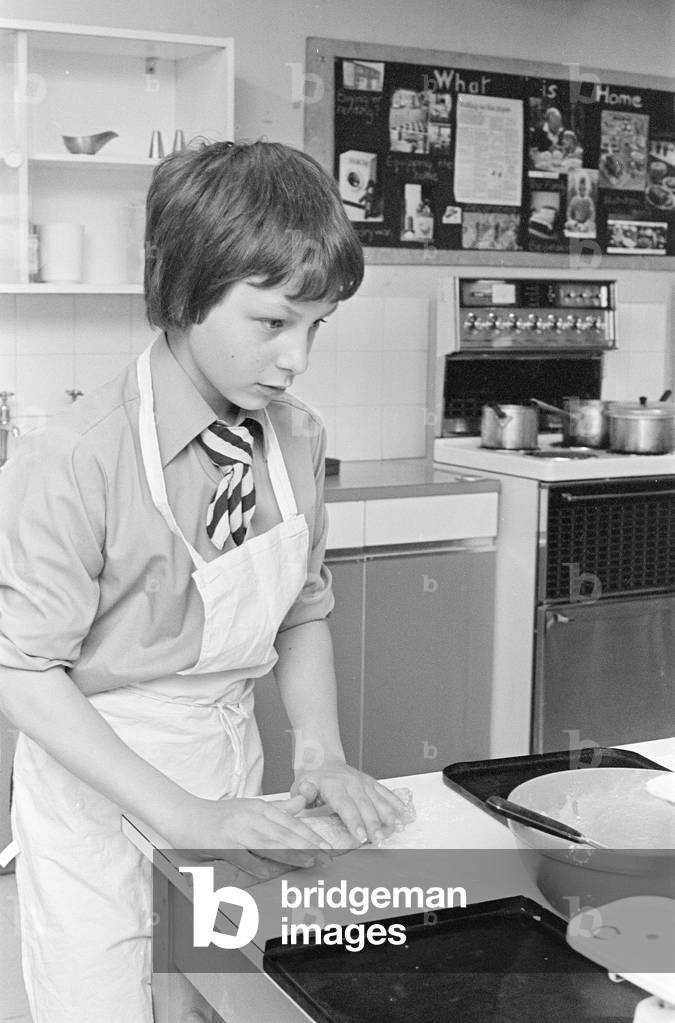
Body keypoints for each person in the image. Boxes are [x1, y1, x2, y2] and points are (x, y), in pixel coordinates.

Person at [0, 140, 408, 1023]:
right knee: (102, 999)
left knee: (217, 997)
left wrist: (320, 751)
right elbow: (23, 674)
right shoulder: (74, 455)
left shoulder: (293, 437)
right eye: (272, 322)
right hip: (99, 786)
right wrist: (178, 813)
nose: (297, 356)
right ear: (184, 291)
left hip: (227, 768)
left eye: (316, 326)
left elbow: (301, 608)